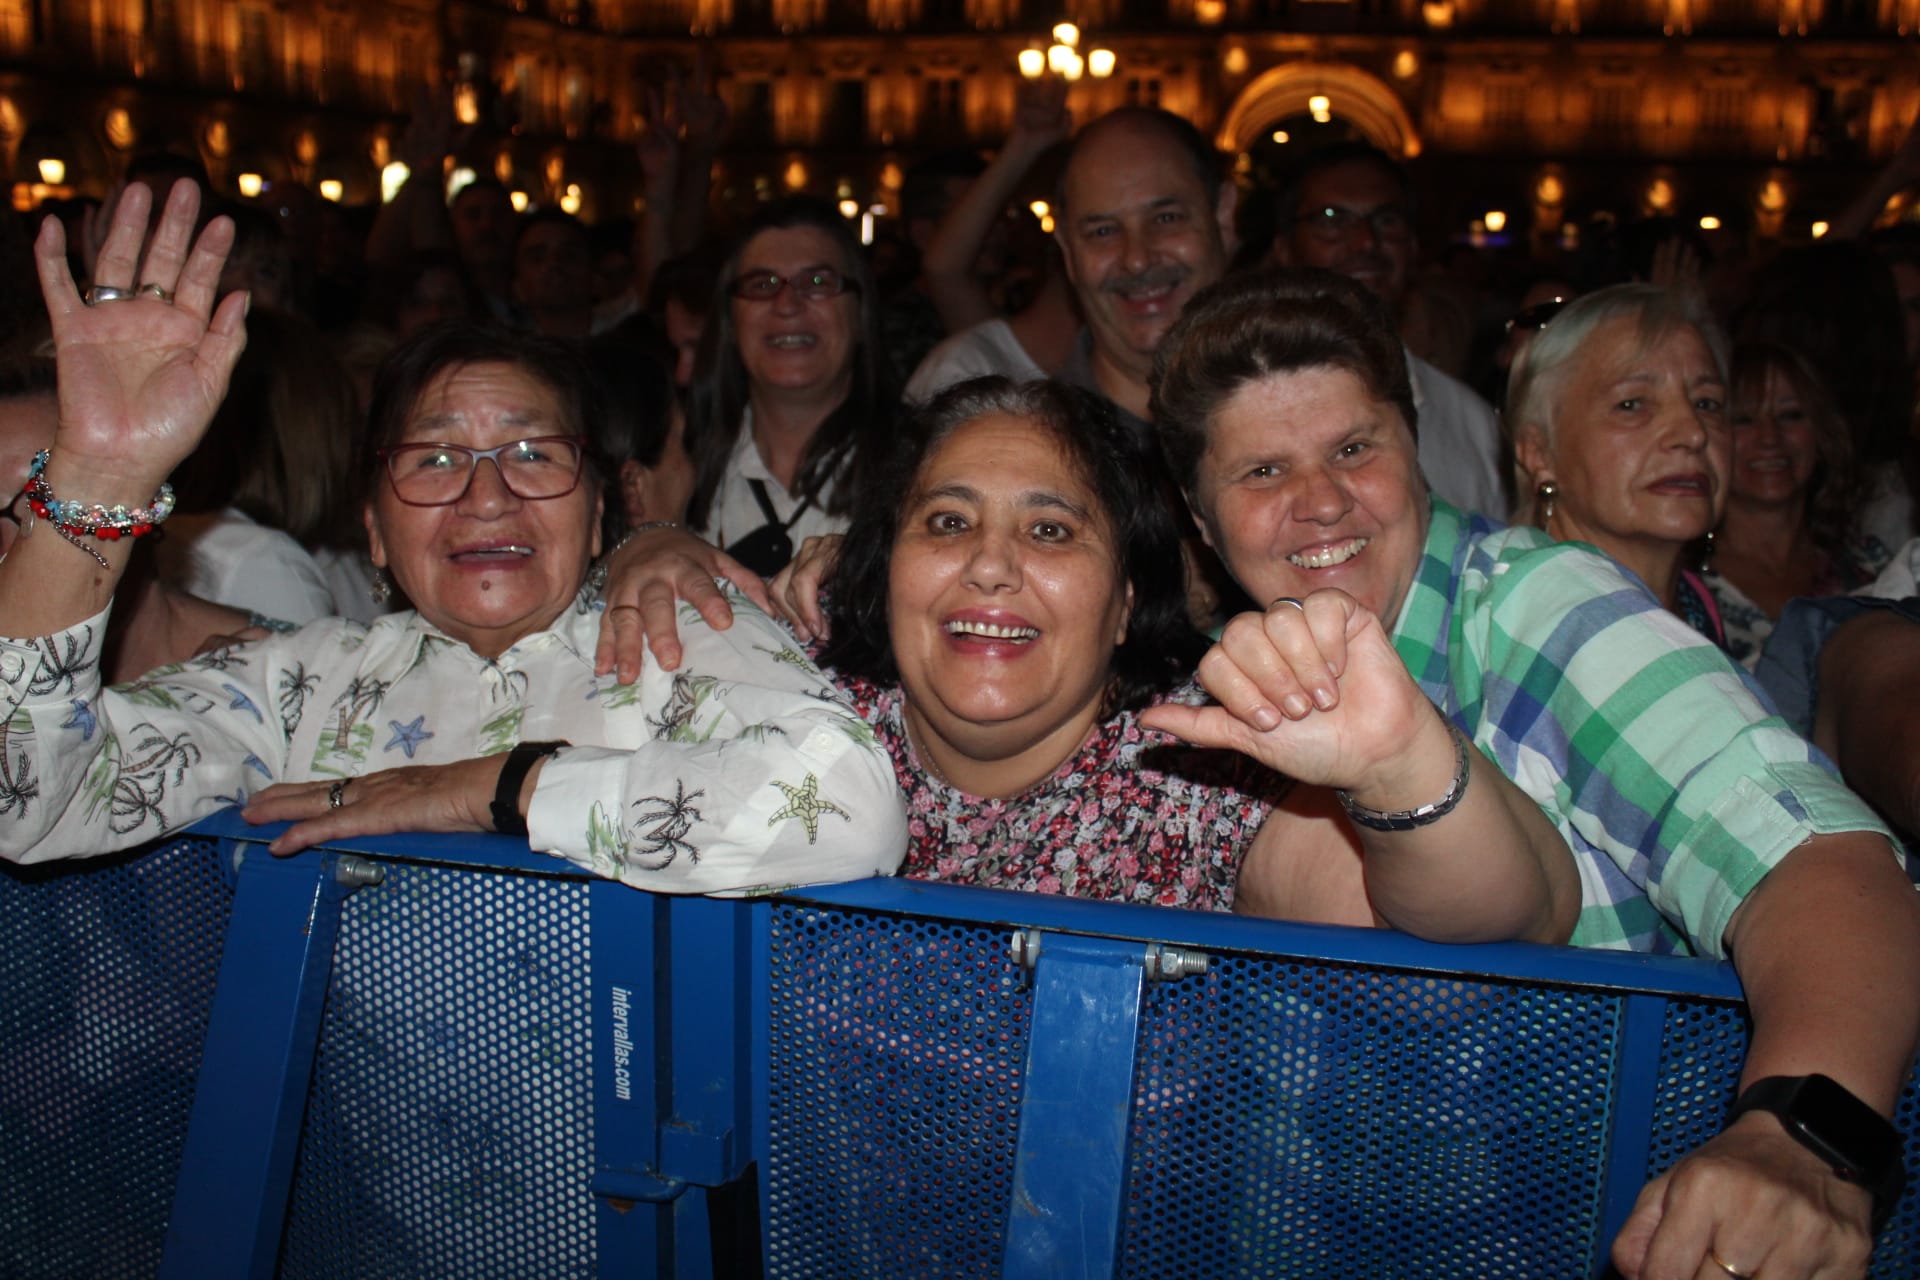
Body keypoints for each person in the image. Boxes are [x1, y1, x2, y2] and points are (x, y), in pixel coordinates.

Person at [1146, 265, 1919, 1280]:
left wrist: (1802, 1136)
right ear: (1203, 523)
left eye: (1353, 448)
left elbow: (1820, 856)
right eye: (1261, 473)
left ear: (1416, 449)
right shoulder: (1211, 678)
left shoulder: (1537, 608)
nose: (1321, 500)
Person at [0, 179, 906, 895]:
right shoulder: (299, 688)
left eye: (532, 452)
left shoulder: (680, 635)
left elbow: (857, 810)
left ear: (598, 514)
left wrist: (489, 788)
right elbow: (33, 801)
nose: (486, 495)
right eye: (433, 461)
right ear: (374, 533)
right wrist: (98, 481)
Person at [594, 373, 1579, 939]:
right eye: (946, 521)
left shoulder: (1198, 775)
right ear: (885, 560)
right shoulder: (800, 707)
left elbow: (1511, 922)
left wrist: (1402, 763)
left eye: (1053, 532)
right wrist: (646, 545)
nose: (989, 565)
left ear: (1126, 602)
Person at [1268, 142, 1508, 519]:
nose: (1365, 241)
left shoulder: (1473, 426)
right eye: (1332, 219)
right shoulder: (1244, 414)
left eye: (1386, 219)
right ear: (1284, 248)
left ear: (1413, 246)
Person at [1506, 283, 1732, 646]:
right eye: (1632, 404)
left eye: (1707, 403)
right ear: (1539, 452)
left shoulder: (1694, 602)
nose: (1693, 433)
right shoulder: (1529, 632)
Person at [683, 197, 896, 575]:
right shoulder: (678, 462)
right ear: (730, 321)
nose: (787, 304)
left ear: (861, 314)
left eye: (817, 282)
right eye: (761, 284)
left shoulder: (924, 466)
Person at [1703, 341, 1891, 667]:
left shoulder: (1871, 567)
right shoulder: (1684, 583)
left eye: (1790, 415)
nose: (1770, 437)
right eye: (1744, 419)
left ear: (1821, 433)